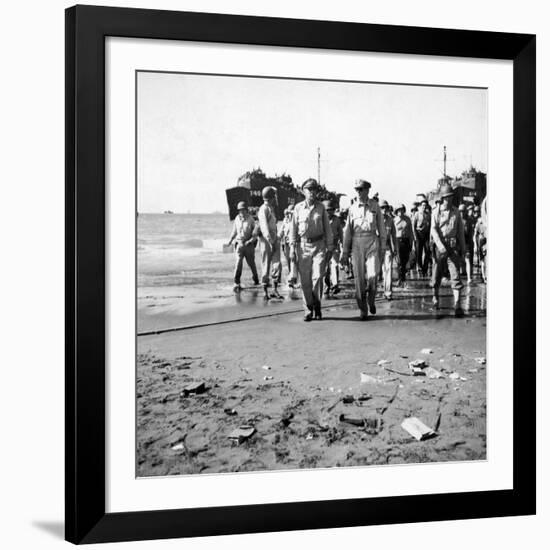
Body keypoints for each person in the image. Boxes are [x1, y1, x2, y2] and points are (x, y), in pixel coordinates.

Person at [341, 179, 386, 320]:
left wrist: (383, 248)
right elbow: (347, 231)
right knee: (359, 279)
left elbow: (382, 229)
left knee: (373, 275)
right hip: (357, 243)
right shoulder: (352, 208)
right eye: (357, 190)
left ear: (367, 190)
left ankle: (371, 300)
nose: (358, 192)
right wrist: (345, 251)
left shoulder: (375, 206)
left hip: (372, 241)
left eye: (361, 189)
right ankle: (363, 309)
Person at [289, 179, 333, 321]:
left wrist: (330, 247)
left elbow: (328, 229)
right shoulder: (297, 208)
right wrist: (291, 248)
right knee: (305, 281)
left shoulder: (321, 208)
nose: (312, 192)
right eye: (309, 189)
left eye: (314, 189)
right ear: (303, 191)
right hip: (303, 247)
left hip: (319, 245)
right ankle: (308, 309)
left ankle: (317, 304)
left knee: (318, 277)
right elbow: (293, 229)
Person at [430, 184, 466, 315]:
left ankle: (457, 305)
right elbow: (433, 230)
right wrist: (440, 246)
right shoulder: (436, 212)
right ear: (442, 198)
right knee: (436, 275)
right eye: (447, 198)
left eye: (451, 197)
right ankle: (435, 296)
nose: (449, 200)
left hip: (453, 247)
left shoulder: (456, 212)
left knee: (455, 275)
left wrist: (463, 249)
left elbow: (460, 232)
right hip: (440, 248)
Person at [226, 201, 259, 292]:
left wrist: (250, 241)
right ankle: (236, 282)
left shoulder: (251, 219)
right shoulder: (237, 219)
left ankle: (256, 280)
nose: (241, 212)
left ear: (246, 210)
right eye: (240, 210)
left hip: (248, 245)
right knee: (238, 263)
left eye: (243, 210)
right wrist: (230, 240)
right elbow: (234, 231)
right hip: (239, 244)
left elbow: (255, 234)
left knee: (251, 264)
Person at [257, 186, 282, 300]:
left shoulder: (271, 208)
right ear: (271, 197)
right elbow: (264, 226)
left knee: (277, 265)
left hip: (274, 238)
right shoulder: (264, 209)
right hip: (266, 241)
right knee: (266, 265)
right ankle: (265, 291)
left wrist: (275, 238)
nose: (275, 199)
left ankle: (275, 289)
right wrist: (270, 240)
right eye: (274, 197)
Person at [323, 200, 343, 296]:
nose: (330, 212)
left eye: (331, 210)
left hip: (335, 245)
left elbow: (341, 232)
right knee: (325, 268)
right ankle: (327, 285)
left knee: (335, 265)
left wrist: (343, 243)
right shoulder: (321, 220)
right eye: (328, 210)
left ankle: (335, 285)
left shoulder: (337, 220)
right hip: (324, 246)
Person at [380, 200, 397, 300]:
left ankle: (388, 292)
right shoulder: (375, 220)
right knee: (377, 272)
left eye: (385, 208)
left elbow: (393, 236)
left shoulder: (391, 220)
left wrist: (395, 248)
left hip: (387, 248)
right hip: (376, 249)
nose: (384, 210)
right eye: (382, 208)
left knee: (388, 270)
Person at [394, 204, 414, 286]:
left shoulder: (408, 219)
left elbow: (411, 232)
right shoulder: (394, 220)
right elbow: (393, 233)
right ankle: (400, 278)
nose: (400, 212)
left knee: (405, 260)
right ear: (396, 212)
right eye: (398, 210)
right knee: (399, 261)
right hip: (398, 241)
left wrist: (412, 243)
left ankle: (403, 277)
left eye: (402, 210)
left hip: (406, 241)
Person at [279, 205, 298, 288]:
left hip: (294, 244)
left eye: (291, 212)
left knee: (294, 261)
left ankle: (293, 280)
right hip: (286, 244)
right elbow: (281, 232)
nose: (289, 214)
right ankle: (292, 277)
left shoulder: (296, 220)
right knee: (289, 261)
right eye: (289, 212)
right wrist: (277, 238)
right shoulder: (285, 221)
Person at [412, 195, 431, 277]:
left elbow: (430, 226)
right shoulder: (417, 214)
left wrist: (430, 236)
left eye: (425, 205)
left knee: (427, 251)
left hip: (426, 234)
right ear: (420, 206)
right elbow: (413, 226)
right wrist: (415, 236)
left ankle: (425, 268)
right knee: (419, 252)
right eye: (423, 205)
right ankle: (419, 267)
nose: (424, 207)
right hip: (418, 234)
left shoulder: (428, 215)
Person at [459, 204, 476, 283]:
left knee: (467, 260)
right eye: (460, 211)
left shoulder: (469, 220)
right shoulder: (457, 219)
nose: (462, 213)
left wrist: (471, 244)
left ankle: (469, 277)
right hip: (458, 242)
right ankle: (458, 276)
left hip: (466, 242)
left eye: (463, 211)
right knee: (458, 260)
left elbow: (471, 233)